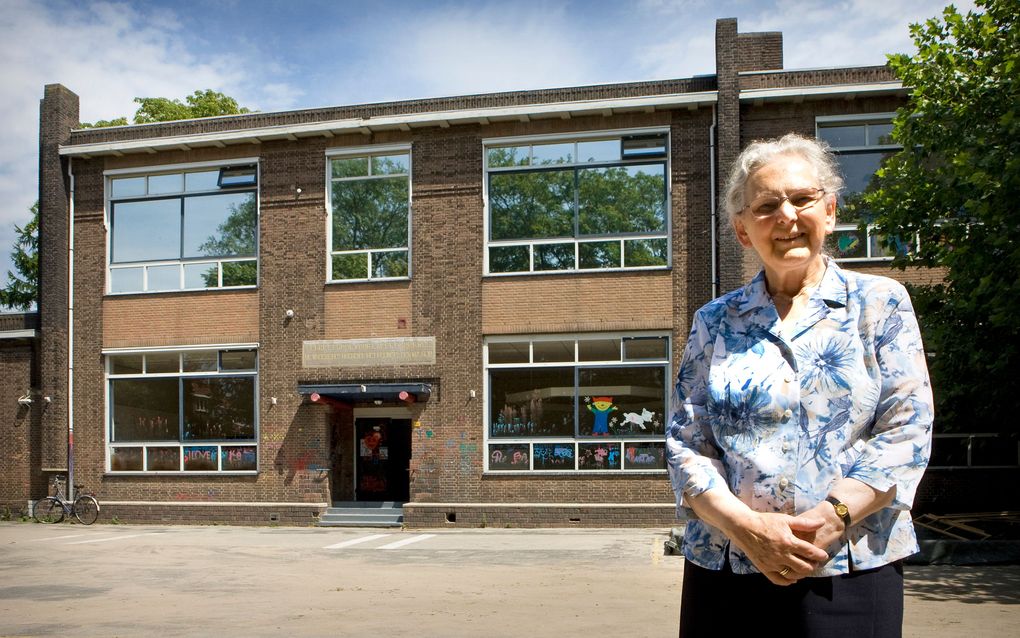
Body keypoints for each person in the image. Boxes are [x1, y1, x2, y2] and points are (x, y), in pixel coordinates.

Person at [667, 133, 933, 637]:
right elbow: (686, 443)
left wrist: (830, 518)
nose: (786, 216)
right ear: (743, 232)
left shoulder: (879, 303)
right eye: (766, 205)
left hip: (847, 564)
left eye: (801, 199)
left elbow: (907, 429)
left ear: (829, 211)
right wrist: (746, 528)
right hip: (725, 566)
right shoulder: (715, 321)